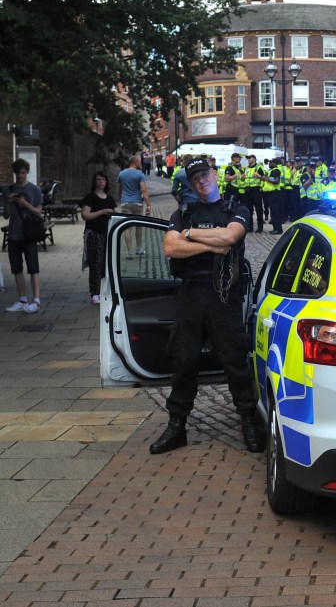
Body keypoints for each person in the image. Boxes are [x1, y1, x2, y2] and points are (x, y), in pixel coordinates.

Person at [149, 157, 264, 455]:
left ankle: (248, 420)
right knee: (183, 359)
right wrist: (209, 244)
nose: (202, 180)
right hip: (191, 294)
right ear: (191, 183)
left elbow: (230, 236)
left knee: (234, 360)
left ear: (214, 175)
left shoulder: (235, 209)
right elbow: (170, 247)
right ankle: (177, 425)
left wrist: (189, 235)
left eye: (205, 174)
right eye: (195, 178)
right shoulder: (184, 212)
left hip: (224, 294)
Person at [3, 159, 44, 313]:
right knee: (16, 268)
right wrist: (8, 202)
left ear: (27, 172)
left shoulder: (34, 190)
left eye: (23, 173)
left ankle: (37, 300)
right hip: (14, 233)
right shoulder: (9, 190)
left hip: (29, 233)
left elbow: (39, 211)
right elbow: (6, 215)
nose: (20, 176)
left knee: (33, 267)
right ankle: (22, 299)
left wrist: (25, 205)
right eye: (18, 173)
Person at [80, 172, 117, 304]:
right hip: (94, 234)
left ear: (106, 182)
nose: (101, 181)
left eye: (103, 179)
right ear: (94, 182)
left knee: (106, 264)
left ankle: (105, 290)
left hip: (107, 234)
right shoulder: (90, 197)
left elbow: (115, 212)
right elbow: (85, 215)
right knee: (95, 263)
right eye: (98, 179)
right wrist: (102, 211)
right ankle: (94, 292)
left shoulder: (109, 198)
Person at [116, 154, 151, 259]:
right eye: (139, 161)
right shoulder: (140, 174)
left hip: (125, 203)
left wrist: (119, 201)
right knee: (138, 226)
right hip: (137, 203)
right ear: (135, 162)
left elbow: (119, 190)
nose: (141, 163)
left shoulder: (121, 174)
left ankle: (129, 252)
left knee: (127, 227)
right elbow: (144, 190)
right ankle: (139, 248)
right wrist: (149, 204)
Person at [242, 154, 267, 232]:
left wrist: (259, 176)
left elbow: (265, 178)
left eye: (250, 158)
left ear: (254, 159)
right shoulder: (246, 168)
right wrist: (242, 178)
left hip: (256, 190)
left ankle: (260, 227)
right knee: (249, 209)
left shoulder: (259, 167)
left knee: (258, 209)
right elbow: (243, 179)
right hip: (247, 190)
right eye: (248, 158)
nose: (248, 160)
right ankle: (250, 227)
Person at [263, 158, 284, 234]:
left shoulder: (276, 170)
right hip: (270, 193)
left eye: (271, 162)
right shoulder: (270, 171)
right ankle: (275, 228)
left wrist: (267, 179)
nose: (269, 163)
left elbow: (277, 181)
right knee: (273, 212)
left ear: (275, 163)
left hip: (275, 193)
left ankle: (278, 229)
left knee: (275, 212)